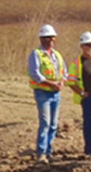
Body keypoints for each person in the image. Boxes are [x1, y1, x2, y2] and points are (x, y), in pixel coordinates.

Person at [26, 24, 65, 161]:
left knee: (54, 124)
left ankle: (48, 151)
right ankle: (41, 152)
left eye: (53, 37)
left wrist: (61, 83)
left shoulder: (57, 55)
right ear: (42, 39)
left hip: (56, 94)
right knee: (45, 123)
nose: (52, 40)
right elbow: (35, 74)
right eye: (49, 37)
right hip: (43, 93)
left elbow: (63, 72)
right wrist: (51, 84)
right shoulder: (36, 54)